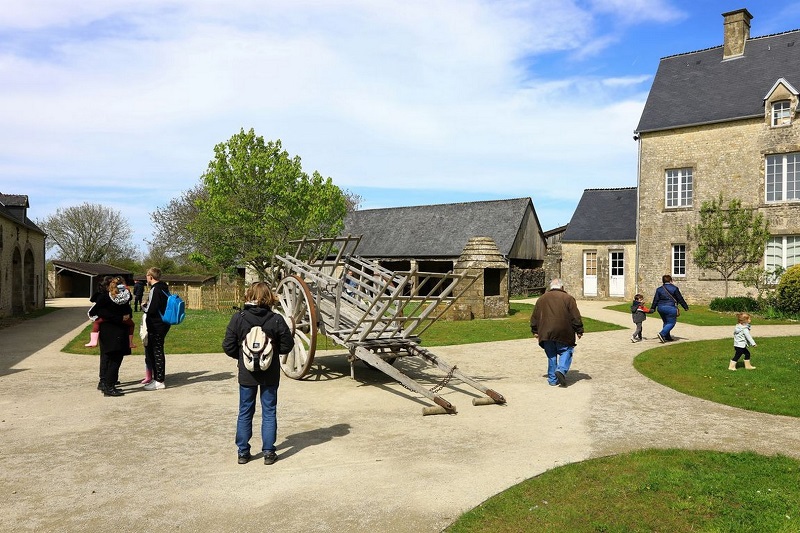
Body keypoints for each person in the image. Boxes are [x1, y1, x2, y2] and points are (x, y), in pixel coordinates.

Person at [222, 282, 294, 465]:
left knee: (245, 410)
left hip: (247, 373)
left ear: (249, 295)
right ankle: (269, 452)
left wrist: (242, 357)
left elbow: (228, 346)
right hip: (270, 373)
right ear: (269, 296)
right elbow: (287, 345)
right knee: (269, 411)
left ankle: (243, 452)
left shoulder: (238, 318)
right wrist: (271, 355)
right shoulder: (276, 319)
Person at [530, 278, 584, 387]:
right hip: (563, 331)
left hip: (546, 332)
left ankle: (552, 379)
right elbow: (575, 316)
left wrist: (535, 330)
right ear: (562, 287)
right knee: (566, 351)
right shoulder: (568, 298)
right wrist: (579, 330)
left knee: (551, 355)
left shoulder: (541, 299)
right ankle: (561, 370)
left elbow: (535, 316)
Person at [93, 276, 134, 397]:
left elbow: (128, 310)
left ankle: (107, 383)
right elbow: (95, 311)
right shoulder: (107, 298)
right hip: (113, 330)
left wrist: (127, 315)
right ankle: (109, 386)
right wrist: (119, 318)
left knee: (112, 357)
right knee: (115, 358)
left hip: (113, 330)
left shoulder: (123, 298)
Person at [142, 267, 171, 390]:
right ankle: (157, 378)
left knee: (157, 351)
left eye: (147, 276)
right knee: (156, 349)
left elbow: (152, 308)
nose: (146, 278)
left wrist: (144, 306)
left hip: (156, 324)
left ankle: (159, 380)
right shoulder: (164, 287)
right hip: (163, 323)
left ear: (151, 277)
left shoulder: (156, 289)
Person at [86, 280, 136, 349]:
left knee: (97, 322)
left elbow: (97, 307)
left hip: (107, 317)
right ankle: (130, 342)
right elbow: (128, 305)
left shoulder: (108, 296)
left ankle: (93, 341)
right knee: (132, 325)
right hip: (123, 317)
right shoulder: (125, 296)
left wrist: (92, 313)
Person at [650, 274, 689, 343]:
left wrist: (653, 308)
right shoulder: (674, 288)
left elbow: (655, 299)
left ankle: (667, 336)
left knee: (666, 322)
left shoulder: (659, 289)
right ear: (671, 280)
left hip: (661, 308)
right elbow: (680, 299)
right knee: (671, 323)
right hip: (670, 307)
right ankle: (662, 334)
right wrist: (685, 307)